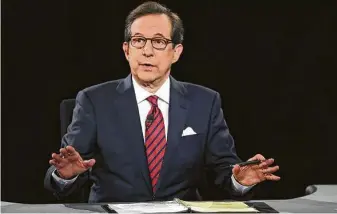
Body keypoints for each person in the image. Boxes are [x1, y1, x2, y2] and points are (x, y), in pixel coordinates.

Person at [44, 1, 280, 203]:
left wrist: (239, 180)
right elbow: (69, 170)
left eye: (158, 42)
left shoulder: (205, 102)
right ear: (127, 50)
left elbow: (224, 167)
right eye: (138, 41)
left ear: (176, 52)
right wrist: (67, 175)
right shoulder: (94, 100)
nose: (147, 51)